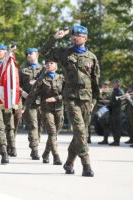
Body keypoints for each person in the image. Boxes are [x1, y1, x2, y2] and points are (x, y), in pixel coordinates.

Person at [40, 25, 100, 177]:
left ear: (85, 38)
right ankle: (86, 164)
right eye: (73, 35)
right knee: (80, 130)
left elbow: (95, 81)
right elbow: (43, 52)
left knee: (82, 133)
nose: (75, 37)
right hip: (71, 96)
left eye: (79, 35)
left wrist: (94, 99)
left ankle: (68, 162)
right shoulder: (64, 53)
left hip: (87, 98)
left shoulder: (91, 57)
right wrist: (54, 38)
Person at [27, 59, 64, 165]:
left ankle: (46, 153)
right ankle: (56, 156)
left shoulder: (61, 78)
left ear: (56, 65)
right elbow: (33, 94)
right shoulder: (41, 79)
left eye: (51, 63)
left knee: (55, 133)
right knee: (52, 132)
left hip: (58, 109)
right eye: (47, 63)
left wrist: (56, 98)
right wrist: (25, 107)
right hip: (46, 109)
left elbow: (66, 93)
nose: (48, 65)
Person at [19, 48, 44, 160]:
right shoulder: (23, 70)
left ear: (37, 54)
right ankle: (34, 149)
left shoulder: (45, 69)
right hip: (29, 102)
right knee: (33, 125)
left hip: (42, 102)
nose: (28, 55)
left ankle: (36, 143)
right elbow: (16, 85)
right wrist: (22, 92)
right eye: (27, 53)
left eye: (31, 53)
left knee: (40, 126)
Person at [108, 79, 124, 146]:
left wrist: (109, 102)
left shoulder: (119, 91)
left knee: (117, 127)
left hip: (117, 112)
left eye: (114, 83)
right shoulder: (114, 91)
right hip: (113, 111)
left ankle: (117, 141)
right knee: (114, 127)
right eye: (112, 83)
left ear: (117, 84)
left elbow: (118, 102)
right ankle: (115, 140)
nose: (113, 84)